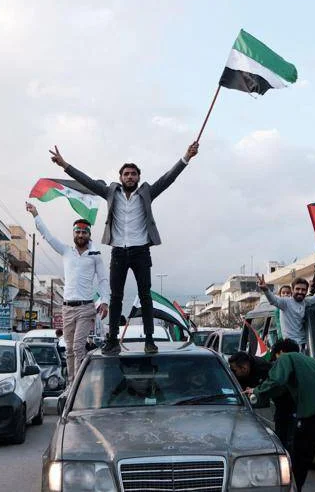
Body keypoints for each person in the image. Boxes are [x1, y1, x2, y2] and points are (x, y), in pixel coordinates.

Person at [49, 142, 199, 354]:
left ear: (138, 178)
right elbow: (87, 181)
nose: (130, 177)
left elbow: (168, 179)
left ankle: (149, 340)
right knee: (116, 297)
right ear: (120, 177)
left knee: (145, 295)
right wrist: (64, 165)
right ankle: (112, 339)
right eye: (126, 174)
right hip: (119, 251)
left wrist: (186, 157)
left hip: (141, 251)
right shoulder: (111, 192)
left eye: (133, 174)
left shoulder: (147, 193)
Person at [26, 202, 109, 384]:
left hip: (86, 308)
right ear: (73, 234)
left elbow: (103, 279)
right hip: (67, 309)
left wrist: (104, 300)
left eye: (84, 232)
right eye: (78, 232)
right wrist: (35, 214)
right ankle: (71, 385)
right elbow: (48, 236)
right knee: (70, 349)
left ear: (89, 235)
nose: (81, 235)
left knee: (79, 347)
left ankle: (79, 386)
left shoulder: (95, 255)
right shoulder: (66, 251)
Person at [246, 339, 315, 492]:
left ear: (280, 352)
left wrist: (256, 391)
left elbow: (277, 380)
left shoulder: (285, 358)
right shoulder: (312, 362)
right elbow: (283, 388)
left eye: (275, 359)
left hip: (313, 414)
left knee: (299, 461)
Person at [229, 351, 296, 450]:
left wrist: (256, 390)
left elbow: (272, 386)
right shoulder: (240, 373)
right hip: (255, 401)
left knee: (283, 427)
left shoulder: (264, 368)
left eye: (234, 370)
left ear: (244, 368)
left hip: (283, 400)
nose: (233, 373)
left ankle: (284, 448)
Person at [257, 273, 315, 351]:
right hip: (290, 346)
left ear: (306, 291)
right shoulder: (285, 302)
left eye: (303, 290)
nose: (300, 291)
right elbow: (273, 300)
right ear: (292, 290)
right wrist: (265, 289)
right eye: (297, 289)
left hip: (305, 344)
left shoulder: (306, 302)